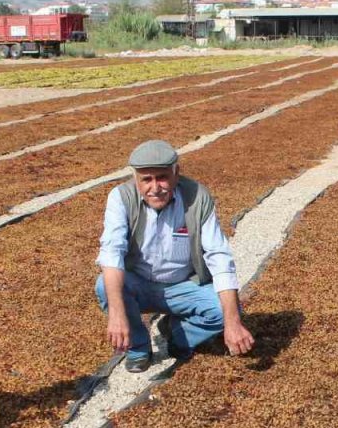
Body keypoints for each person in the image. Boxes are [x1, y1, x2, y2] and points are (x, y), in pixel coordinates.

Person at [95, 140, 254, 373]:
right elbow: (112, 253)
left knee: (226, 312)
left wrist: (233, 324)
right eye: (146, 180)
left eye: (162, 177)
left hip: (184, 285)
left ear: (176, 173)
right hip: (139, 282)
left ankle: (177, 335)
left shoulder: (197, 197)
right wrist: (117, 316)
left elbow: (219, 256)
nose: (155, 187)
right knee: (104, 286)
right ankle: (138, 348)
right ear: (136, 179)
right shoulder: (121, 198)